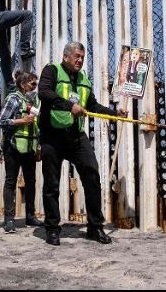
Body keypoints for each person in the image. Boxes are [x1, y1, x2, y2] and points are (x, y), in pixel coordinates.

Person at [38, 41, 127, 246]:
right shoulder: (52, 71)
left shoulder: (84, 79)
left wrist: (115, 113)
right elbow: (44, 93)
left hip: (76, 135)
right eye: (76, 56)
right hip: (52, 135)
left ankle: (95, 227)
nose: (80, 60)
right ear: (66, 56)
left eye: (82, 57)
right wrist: (69, 106)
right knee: (51, 183)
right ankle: (52, 228)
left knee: (91, 174)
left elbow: (92, 105)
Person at [0, 70, 44, 233]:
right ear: (23, 84)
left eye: (36, 84)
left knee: (31, 181)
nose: (35, 87)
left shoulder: (34, 102)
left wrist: (38, 146)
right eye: (32, 84)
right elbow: (2, 121)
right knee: (11, 181)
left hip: (29, 147)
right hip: (13, 146)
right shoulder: (14, 99)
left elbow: (38, 126)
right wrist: (22, 120)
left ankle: (30, 216)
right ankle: (8, 220)